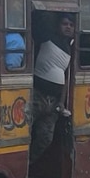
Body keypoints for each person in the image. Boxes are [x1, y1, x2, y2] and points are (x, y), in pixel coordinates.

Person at [30, 12, 75, 164]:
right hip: (37, 95)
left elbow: (66, 77)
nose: (68, 27)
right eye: (65, 24)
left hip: (53, 102)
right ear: (58, 26)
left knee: (46, 138)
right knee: (22, 133)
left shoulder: (70, 48)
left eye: (71, 25)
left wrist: (61, 103)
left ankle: (29, 162)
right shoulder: (47, 38)